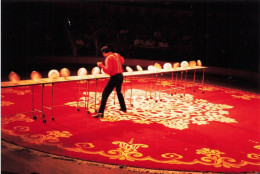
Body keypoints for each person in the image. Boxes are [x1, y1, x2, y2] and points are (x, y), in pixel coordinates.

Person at [93, 46, 127, 118]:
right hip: (120, 75)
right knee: (118, 91)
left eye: (103, 54)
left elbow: (108, 70)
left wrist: (101, 66)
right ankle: (123, 107)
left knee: (105, 94)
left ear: (104, 53)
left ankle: (100, 112)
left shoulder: (108, 58)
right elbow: (123, 61)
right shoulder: (117, 54)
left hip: (114, 77)